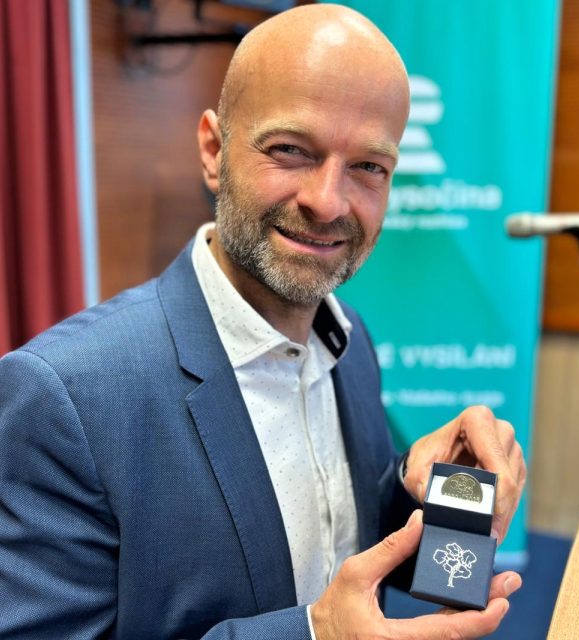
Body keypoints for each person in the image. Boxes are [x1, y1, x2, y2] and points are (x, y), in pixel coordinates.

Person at [0, 4, 525, 639]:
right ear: (214, 150)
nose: (327, 202)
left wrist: (436, 490)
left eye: (368, 167)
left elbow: (337, 534)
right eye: (291, 150)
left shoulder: (350, 341)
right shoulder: (63, 399)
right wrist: (316, 634)